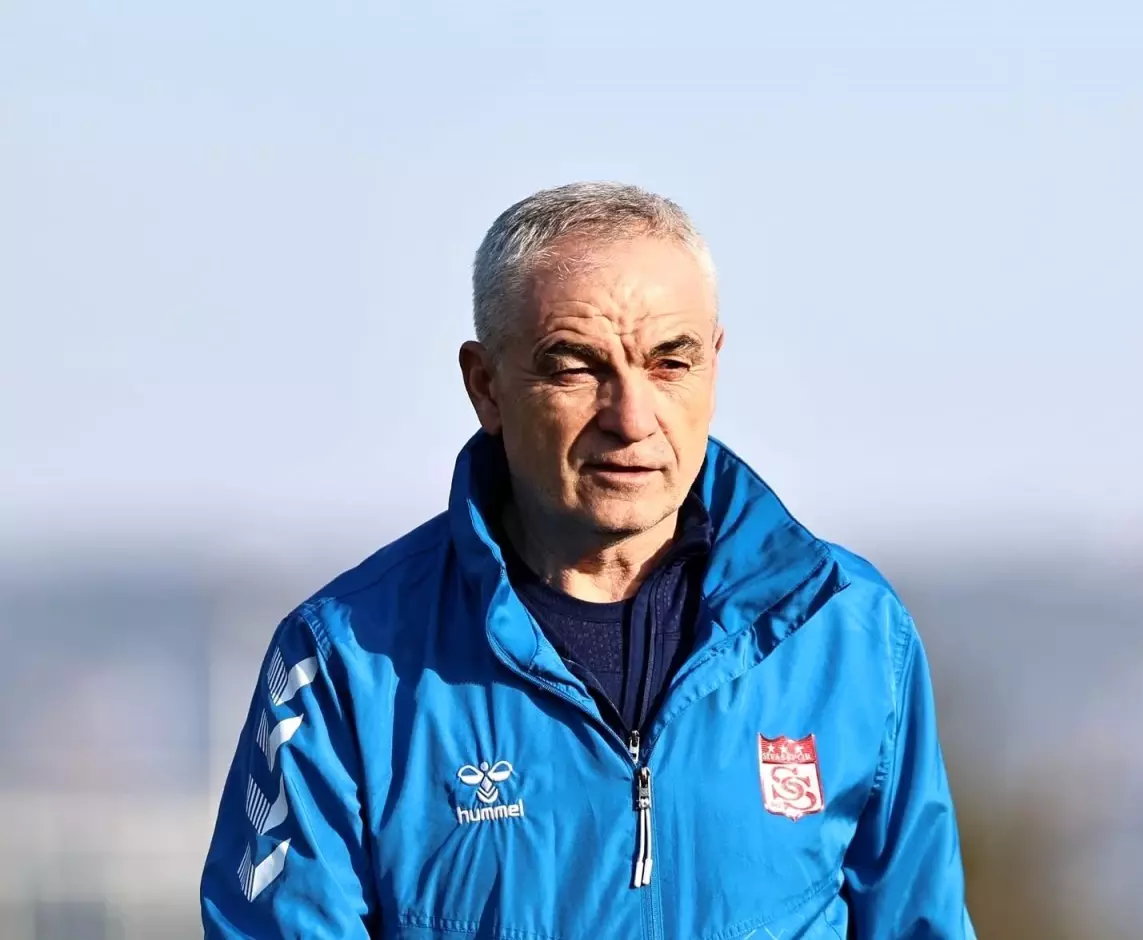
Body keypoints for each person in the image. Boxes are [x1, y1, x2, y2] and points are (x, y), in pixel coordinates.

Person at [200, 182, 976, 939]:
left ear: (714, 363)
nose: (632, 418)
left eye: (671, 364)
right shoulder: (344, 660)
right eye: (576, 367)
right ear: (486, 386)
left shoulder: (847, 630)